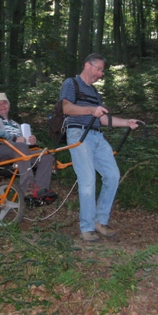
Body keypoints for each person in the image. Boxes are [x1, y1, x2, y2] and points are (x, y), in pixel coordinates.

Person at [60, 53, 143, 242]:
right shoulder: (71, 84)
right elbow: (67, 108)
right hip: (78, 134)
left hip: (97, 136)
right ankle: (87, 227)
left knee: (112, 175)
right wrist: (90, 110)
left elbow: (103, 118)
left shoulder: (96, 93)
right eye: (98, 69)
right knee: (88, 180)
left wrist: (126, 122)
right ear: (87, 65)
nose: (100, 74)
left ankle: (100, 221)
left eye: (102, 71)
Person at [0, 93, 57, 202]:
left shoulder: (15, 124)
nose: (2, 106)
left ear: (9, 105)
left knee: (45, 155)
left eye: (5, 103)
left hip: (17, 151)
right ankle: (27, 186)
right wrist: (13, 139)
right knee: (20, 146)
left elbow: (23, 142)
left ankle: (40, 189)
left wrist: (31, 142)